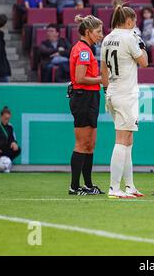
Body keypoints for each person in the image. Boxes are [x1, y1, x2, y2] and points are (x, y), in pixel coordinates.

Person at [100, 4, 149, 198]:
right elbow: (144, 62)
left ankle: (129, 186)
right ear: (128, 21)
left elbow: (103, 69)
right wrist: (141, 45)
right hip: (125, 93)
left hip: (112, 92)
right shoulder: (129, 37)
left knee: (128, 140)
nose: (135, 24)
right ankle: (114, 188)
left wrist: (107, 90)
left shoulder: (107, 38)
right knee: (121, 140)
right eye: (134, 21)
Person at [68, 15, 105, 196]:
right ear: (88, 32)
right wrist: (103, 79)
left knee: (90, 144)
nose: (101, 35)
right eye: (98, 31)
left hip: (90, 97)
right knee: (82, 144)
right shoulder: (83, 51)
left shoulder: (87, 49)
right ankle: (74, 187)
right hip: (83, 97)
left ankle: (88, 185)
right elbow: (80, 78)